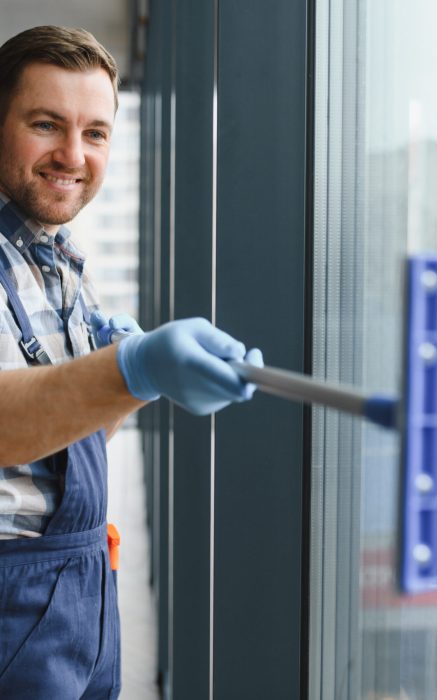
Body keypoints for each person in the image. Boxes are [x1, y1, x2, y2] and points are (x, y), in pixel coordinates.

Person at [0, 25, 262, 698]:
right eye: (46, 124)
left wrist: (130, 385)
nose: (72, 154)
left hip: (79, 588)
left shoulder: (60, 261)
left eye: (95, 133)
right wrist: (131, 370)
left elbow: (66, 443)